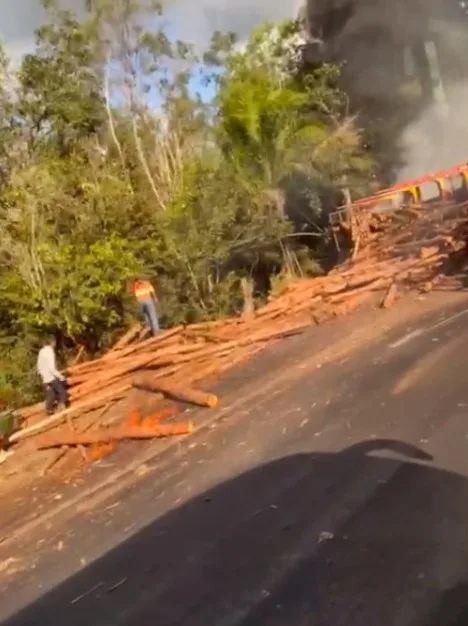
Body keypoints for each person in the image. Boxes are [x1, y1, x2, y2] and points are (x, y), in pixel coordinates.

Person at [37, 336, 70, 415]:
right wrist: (61, 377)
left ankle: (49, 409)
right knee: (63, 393)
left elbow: (39, 366)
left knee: (52, 394)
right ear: (52, 343)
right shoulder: (50, 352)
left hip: (45, 377)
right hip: (51, 377)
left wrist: (43, 376)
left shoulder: (41, 351)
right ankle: (61, 409)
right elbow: (52, 368)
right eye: (54, 342)